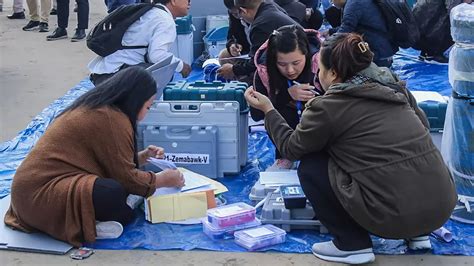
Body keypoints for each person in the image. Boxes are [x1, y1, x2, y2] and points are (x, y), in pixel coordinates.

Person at [245, 33, 457, 264]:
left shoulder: (330, 106)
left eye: (321, 70)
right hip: (441, 206)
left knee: (312, 163)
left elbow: (292, 148)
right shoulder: (395, 87)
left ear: (333, 73)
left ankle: (351, 244)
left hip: (391, 217)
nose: (317, 75)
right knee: (402, 158)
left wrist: (269, 110)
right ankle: (418, 233)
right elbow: (423, 126)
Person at [4, 67, 185, 247]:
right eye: (148, 106)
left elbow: (108, 160)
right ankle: (90, 227)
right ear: (135, 101)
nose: (147, 113)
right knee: (114, 193)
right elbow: (126, 178)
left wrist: (143, 157)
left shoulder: (104, 110)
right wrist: (162, 180)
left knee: (121, 191)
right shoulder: (111, 119)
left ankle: (102, 218)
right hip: (38, 198)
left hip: (27, 195)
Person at [251, 25, 321, 170]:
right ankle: (284, 156)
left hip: (319, 131)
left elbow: (340, 103)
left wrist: (317, 100)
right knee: (280, 112)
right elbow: (257, 114)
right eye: (281, 64)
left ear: (306, 54)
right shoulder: (264, 72)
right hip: (285, 138)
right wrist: (286, 95)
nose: (290, 70)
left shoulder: (321, 65)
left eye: (296, 63)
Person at [88, 0, 192, 86]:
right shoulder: (164, 20)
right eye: (188, 0)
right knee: (164, 74)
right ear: (173, 1)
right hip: (114, 77)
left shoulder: (151, 11)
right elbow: (157, 56)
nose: (189, 3)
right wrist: (181, 66)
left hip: (103, 73)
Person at [217, 0, 297, 82]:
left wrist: (233, 69)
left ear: (244, 11)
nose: (241, 20)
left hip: (290, 61)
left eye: (240, 16)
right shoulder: (269, 7)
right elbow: (232, 35)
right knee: (224, 55)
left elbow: (255, 62)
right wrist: (232, 44)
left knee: (250, 82)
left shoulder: (260, 25)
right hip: (293, 54)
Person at [324, 0, 398, 67]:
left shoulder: (353, 4)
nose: (332, 2)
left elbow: (346, 29)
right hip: (387, 51)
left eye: (332, 0)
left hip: (377, 56)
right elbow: (358, 25)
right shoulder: (356, 2)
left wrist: (326, 45)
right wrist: (330, 31)